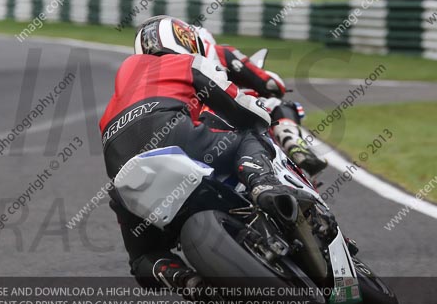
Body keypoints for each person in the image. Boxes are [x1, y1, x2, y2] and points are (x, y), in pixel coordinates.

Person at [100, 16, 311, 290]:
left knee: (142, 256)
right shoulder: (185, 62)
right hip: (170, 133)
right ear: (186, 40)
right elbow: (239, 105)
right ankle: (264, 185)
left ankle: (185, 281)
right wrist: (265, 116)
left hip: (119, 163)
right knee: (248, 136)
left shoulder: (120, 91)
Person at [196, 27, 327, 176]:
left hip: (191, 131)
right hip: (225, 116)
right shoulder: (219, 51)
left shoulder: (175, 63)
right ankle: (292, 141)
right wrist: (276, 86)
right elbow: (268, 82)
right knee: (274, 103)